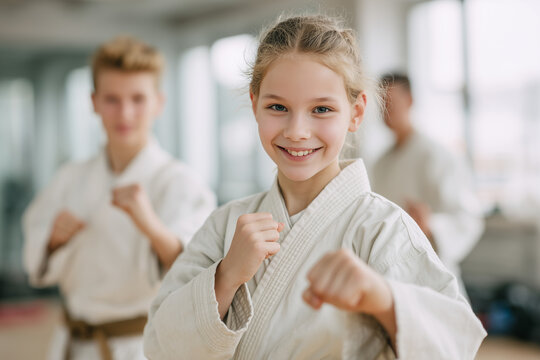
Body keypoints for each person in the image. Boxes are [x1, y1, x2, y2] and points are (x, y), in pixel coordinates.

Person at [143, 16, 486, 359]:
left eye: (321, 109)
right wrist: (226, 276)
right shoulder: (225, 226)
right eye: (278, 107)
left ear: (356, 112)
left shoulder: (382, 230)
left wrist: (382, 298)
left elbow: (455, 343)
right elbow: (159, 344)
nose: (297, 131)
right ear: (254, 103)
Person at [22, 37, 216, 360]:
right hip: (72, 342)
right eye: (112, 99)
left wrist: (150, 224)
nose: (124, 113)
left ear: (158, 103)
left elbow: (199, 275)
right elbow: (36, 260)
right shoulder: (69, 178)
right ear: (94, 102)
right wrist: (53, 241)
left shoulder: (181, 183)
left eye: (138, 99)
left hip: (139, 347)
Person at [371, 73, 484, 296]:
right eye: (381, 103)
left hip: (432, 278)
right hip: (390, 280)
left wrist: (430, 224)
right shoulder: (380, 163)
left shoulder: (437, 155)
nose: (386, 109)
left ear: (410, 101)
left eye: (391, 102)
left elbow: (468, 218)